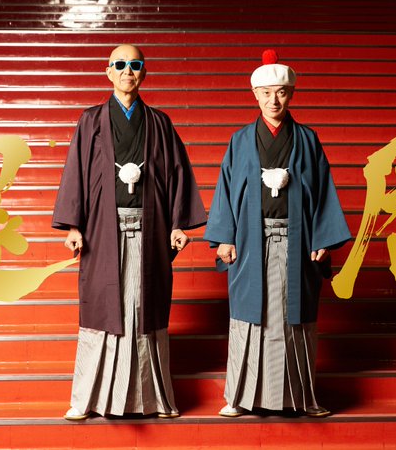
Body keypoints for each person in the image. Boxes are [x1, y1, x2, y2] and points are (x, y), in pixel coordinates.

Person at [52, 44, 207, 420]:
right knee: (103, 307)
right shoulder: (91, 120)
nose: (127, 71)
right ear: (108, 71)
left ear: (144, 73)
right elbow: (76, 172)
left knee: (143, 306)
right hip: (102, 230)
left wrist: (179, 224)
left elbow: (177, 174)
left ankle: (152, 399)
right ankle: (88, 399)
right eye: (119, 64)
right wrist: (73, 225)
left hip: (149, 228)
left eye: (135, 65)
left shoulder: (159, 123)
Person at [204, 49, 351, 418]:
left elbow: (322, 190)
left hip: (297, 240)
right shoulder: (240, 140)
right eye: (266, 93)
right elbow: (226, 190)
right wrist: (225, 236)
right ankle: (240, 397)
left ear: (291, 94)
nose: (274, 100)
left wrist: (322, 239)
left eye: (281, 93)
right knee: (249, 315)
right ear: (255, 94)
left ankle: (302, 398)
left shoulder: (308, 139)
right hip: (250, 241)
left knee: (294, 316)